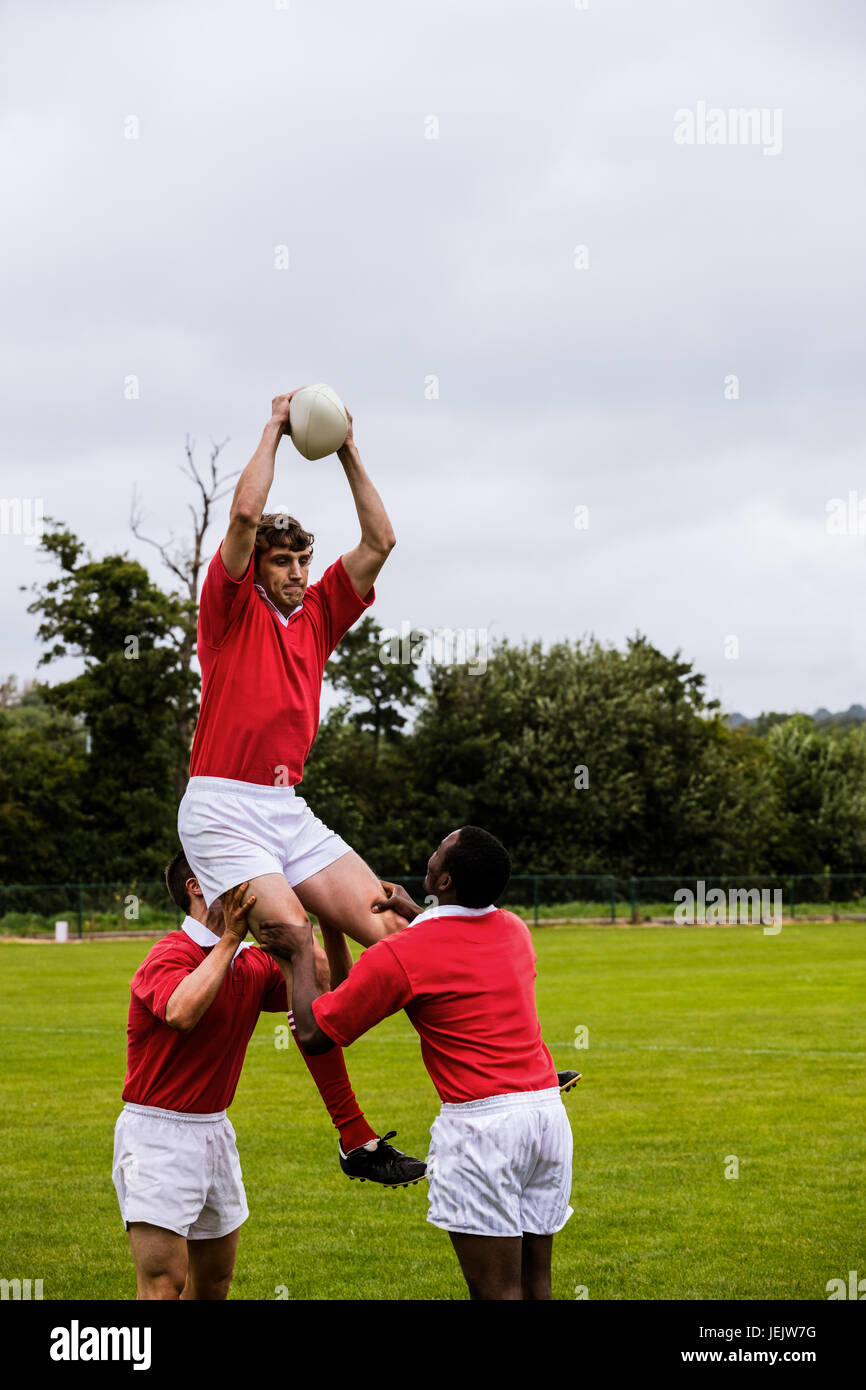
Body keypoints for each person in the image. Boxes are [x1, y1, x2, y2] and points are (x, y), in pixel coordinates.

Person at [177, 389, 424, 1185]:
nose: (291, 570)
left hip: (288, 808)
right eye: (280, 560)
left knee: (398, 937)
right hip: (220, 807)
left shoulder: (318, 612)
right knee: (300, 947)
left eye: (298, 560)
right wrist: (276, 428)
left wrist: (347, 446)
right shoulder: (228, 606)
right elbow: (243, 521)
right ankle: (355, 1138)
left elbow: (382, 538)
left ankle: (503, 1076)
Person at [256, 826, 575, 1301]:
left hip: (483, 1129)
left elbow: (317, 1035)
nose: (432, 850)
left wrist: (302, 951)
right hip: (547, 1118)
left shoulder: (402, 953)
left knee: (497, 1293)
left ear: (443, 882)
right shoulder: (514, 929)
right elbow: (458, 940)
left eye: (439, 849)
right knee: (535, 1287)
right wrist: (423, 914)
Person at [112, 853, 419, 1301]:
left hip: (214, 1130)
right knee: (163, 1285)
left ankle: (354, 1138)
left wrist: (330, 921)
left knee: (214, 1282)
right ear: (199, 885)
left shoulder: (251, 962)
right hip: (158, 1135)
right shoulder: (168, 954)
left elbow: (327, 991)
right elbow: (181, 1012)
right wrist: (233, 937)